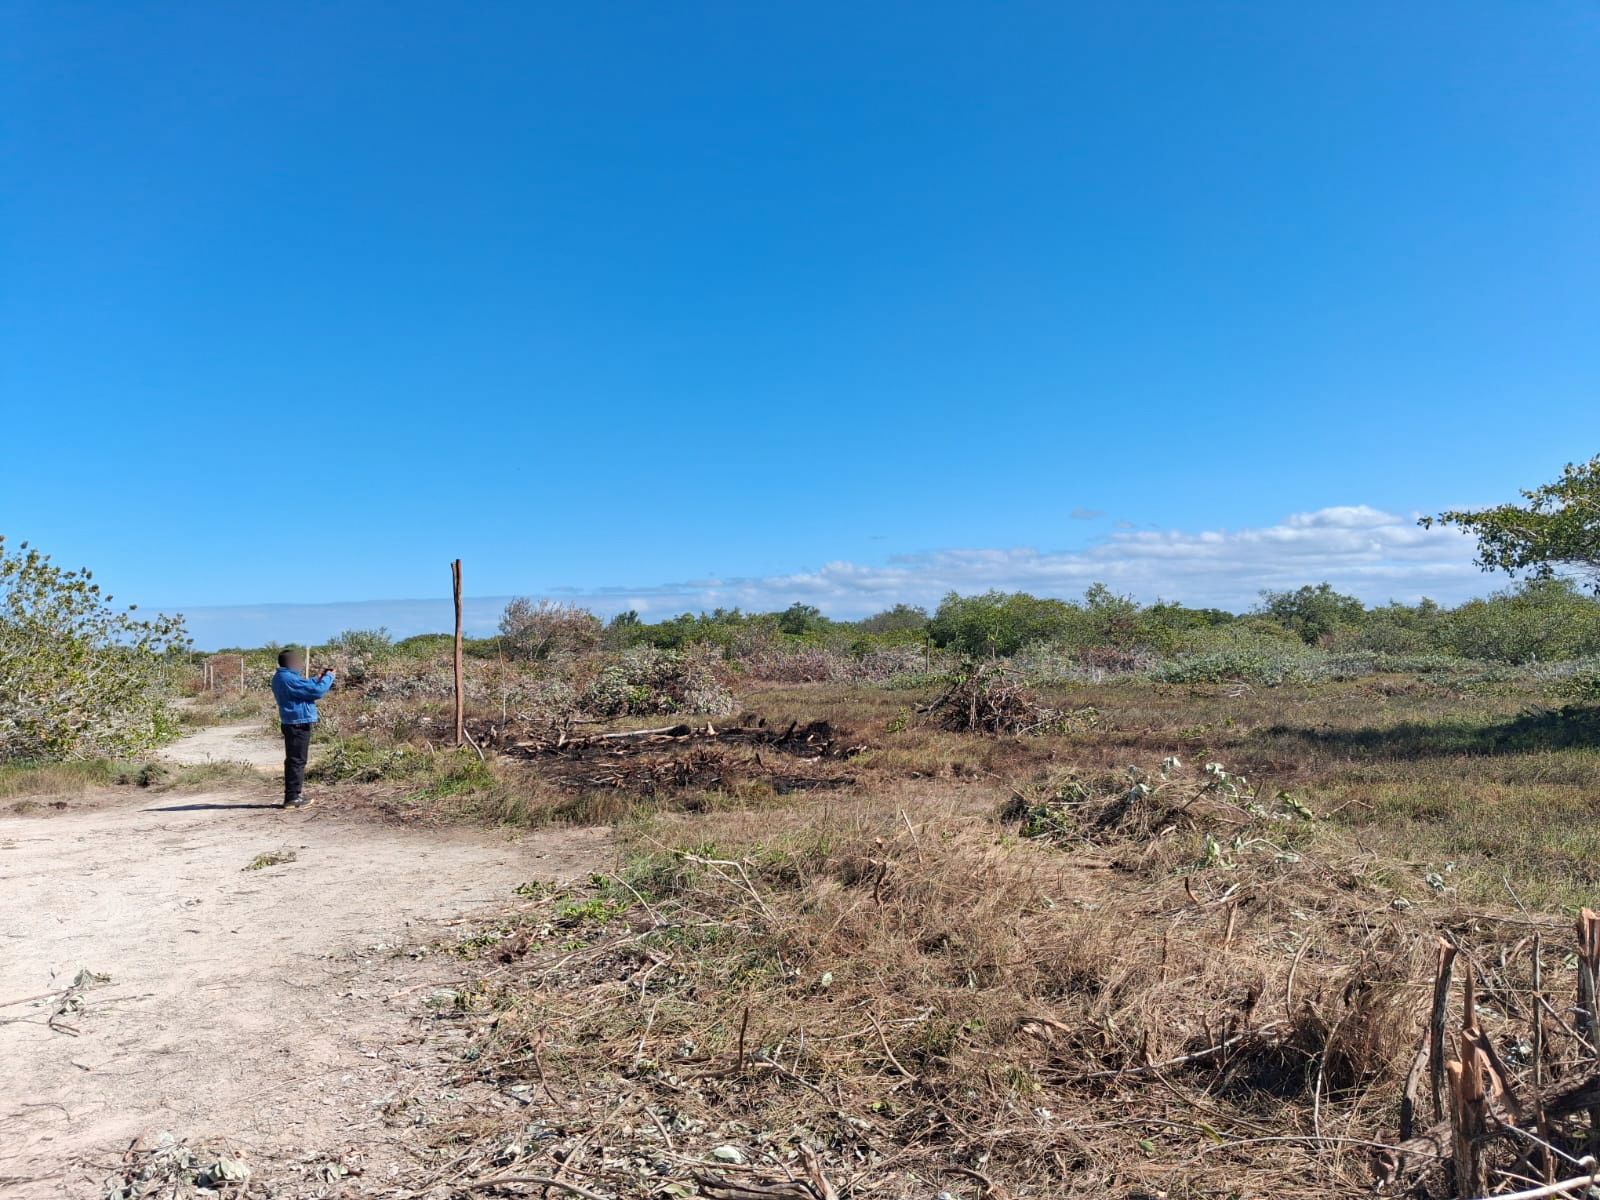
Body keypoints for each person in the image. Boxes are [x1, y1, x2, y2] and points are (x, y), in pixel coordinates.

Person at [270, 650, 336, 809]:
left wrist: (317, 678)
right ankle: (292, 798)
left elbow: (305, 687)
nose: (301, 663)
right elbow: (316, 692)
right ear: (291, 662)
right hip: (297, 724)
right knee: (297, 761)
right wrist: (329, 678)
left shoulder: (285, 677)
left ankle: (293, 795)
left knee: (295, 760)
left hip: (293, 722)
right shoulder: (287, 678)